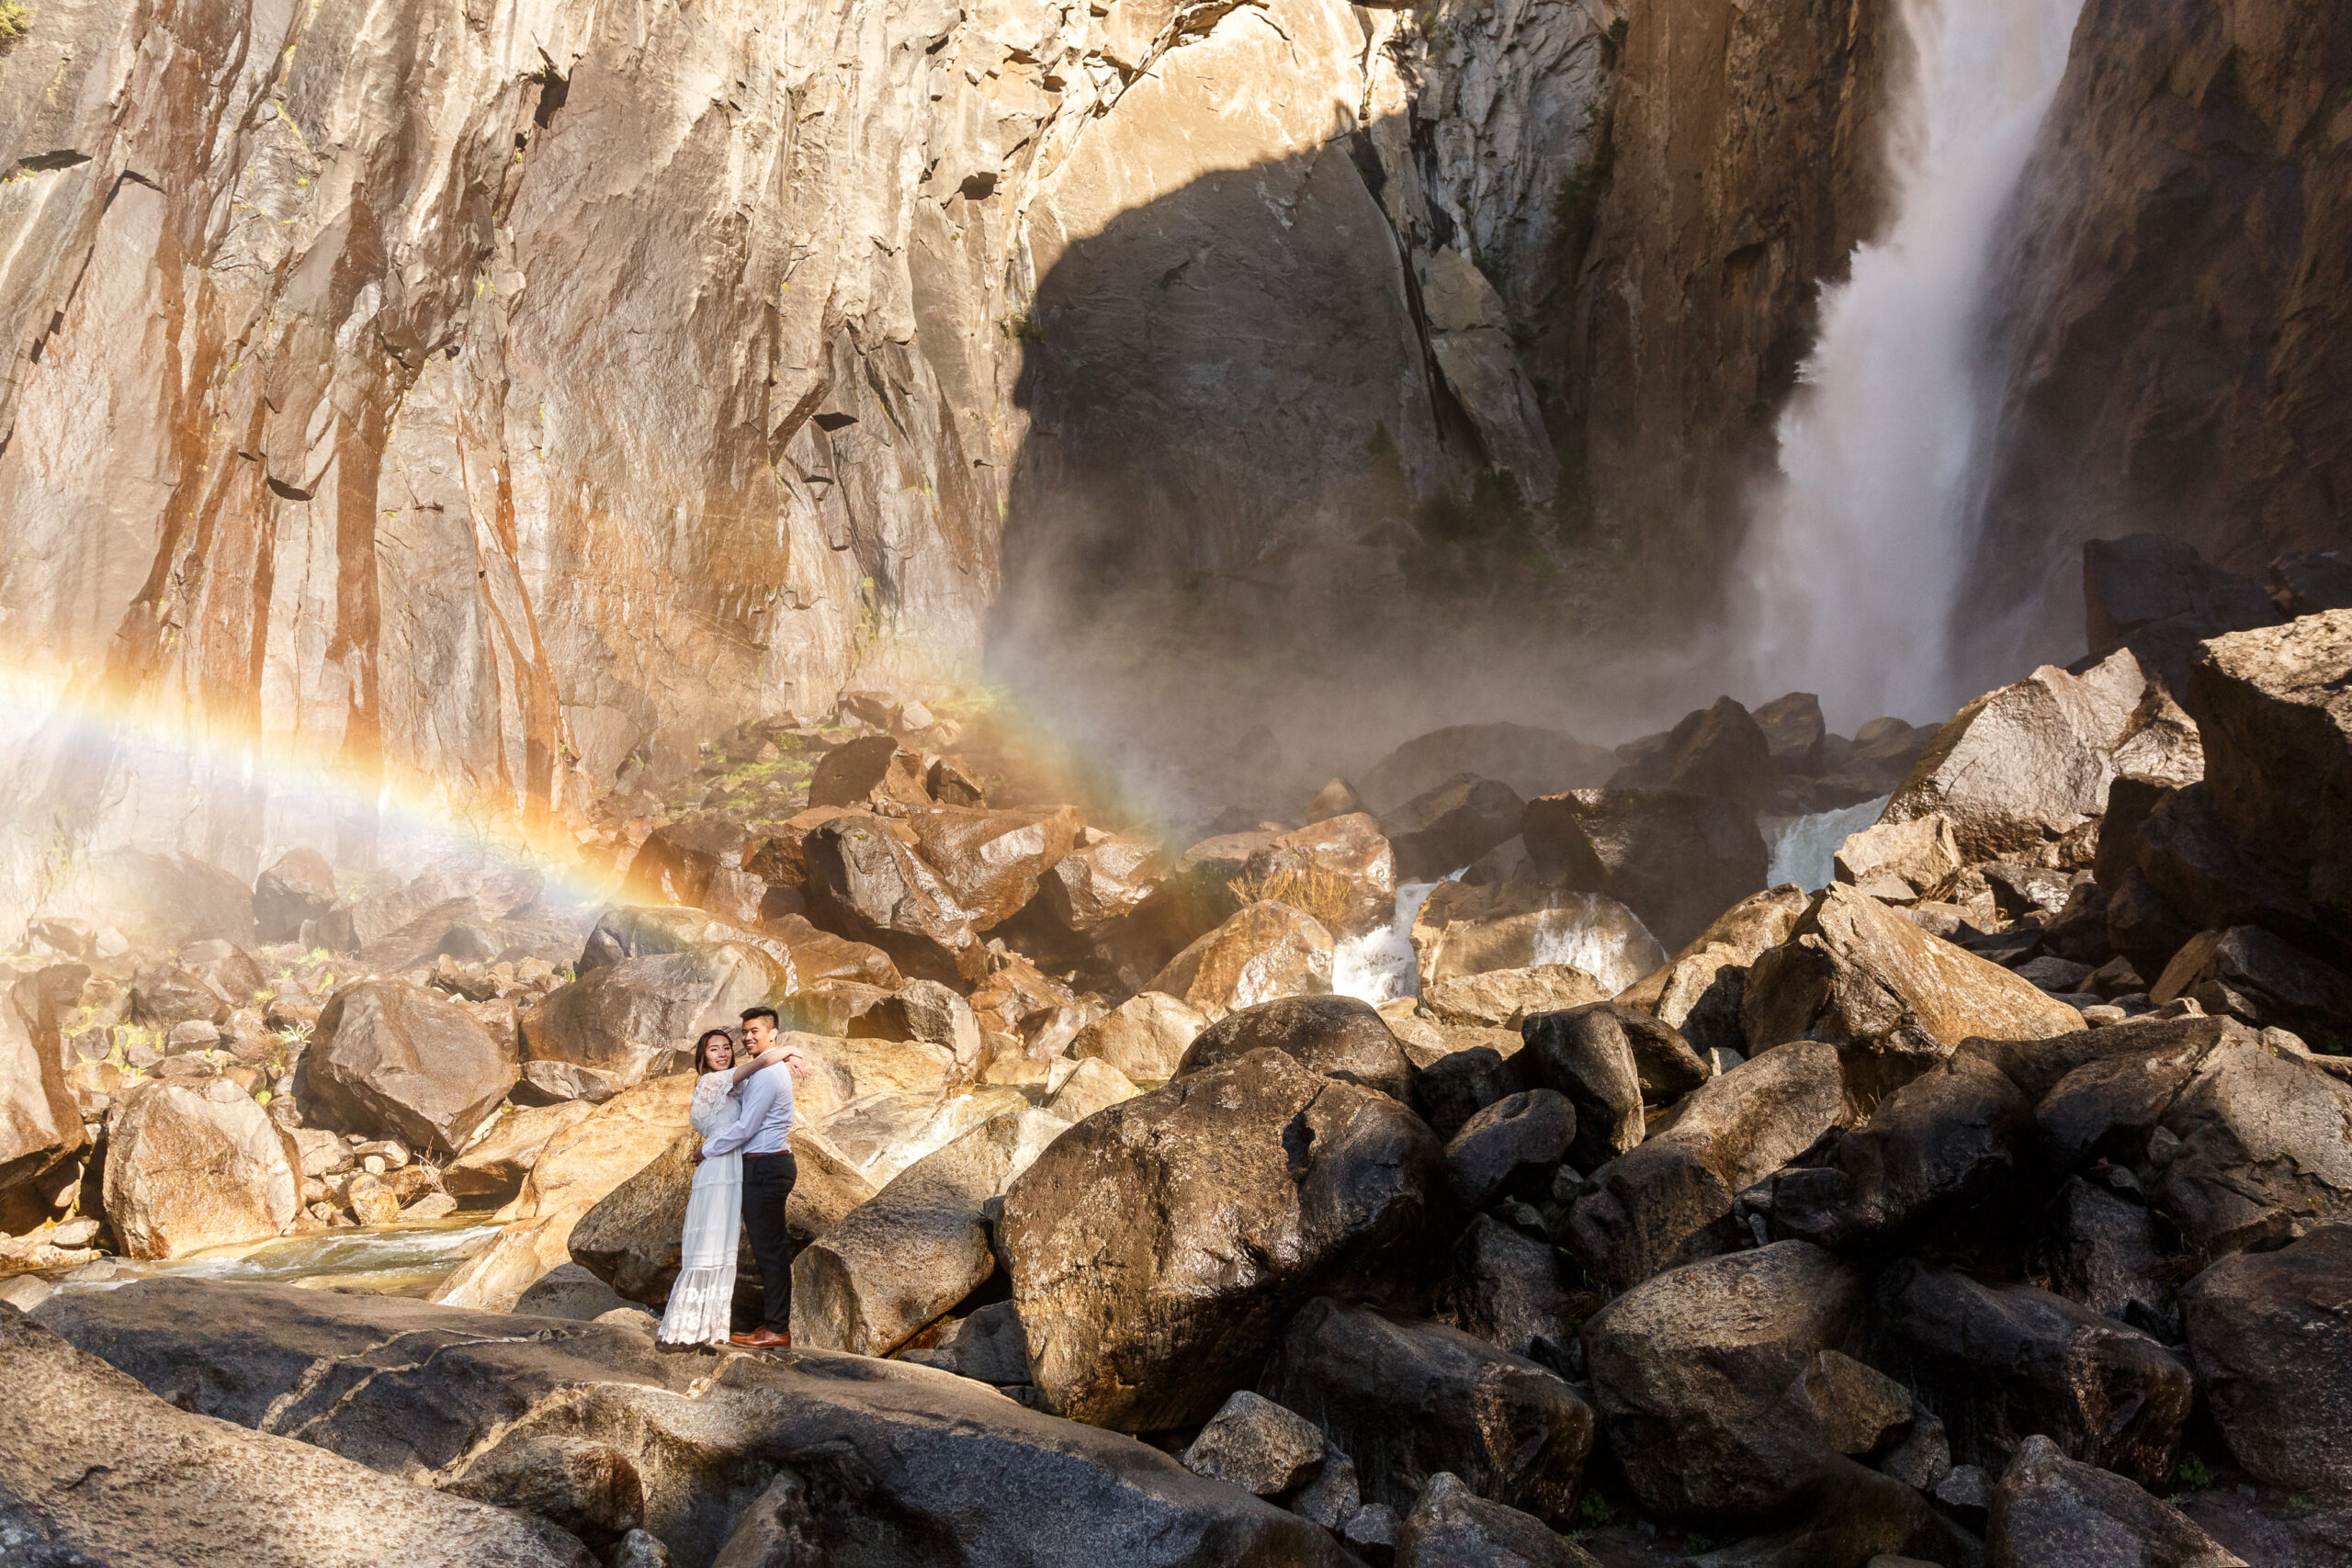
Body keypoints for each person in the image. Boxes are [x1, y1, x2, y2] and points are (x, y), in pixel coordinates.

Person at [695, 1005, 808, 1348]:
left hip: (766, 1166)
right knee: (764, 1250)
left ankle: (777, 1329)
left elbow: (745, 1128)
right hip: (760, 1166)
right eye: (744, 1032)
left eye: (754, 1031)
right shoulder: (764, 1070)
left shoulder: (769, 1074)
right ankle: (771, 1325)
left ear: (772, 1033)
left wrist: (706, 1150)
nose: (746, 1037)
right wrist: (786, 1053)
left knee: (770, 1251)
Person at [655, 1028, 750, 1348]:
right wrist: (788, 1053)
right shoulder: (712, 1082)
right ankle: (687, 1327)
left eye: (726, 1048)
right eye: (714, 1050)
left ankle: (711, 1328)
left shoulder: (734, 1087)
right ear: (703, 1057)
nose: (722, 1054)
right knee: (710, 1243)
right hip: (718, 1168)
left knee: (723, 1245)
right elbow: (756, 1067)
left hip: (730, 1167)